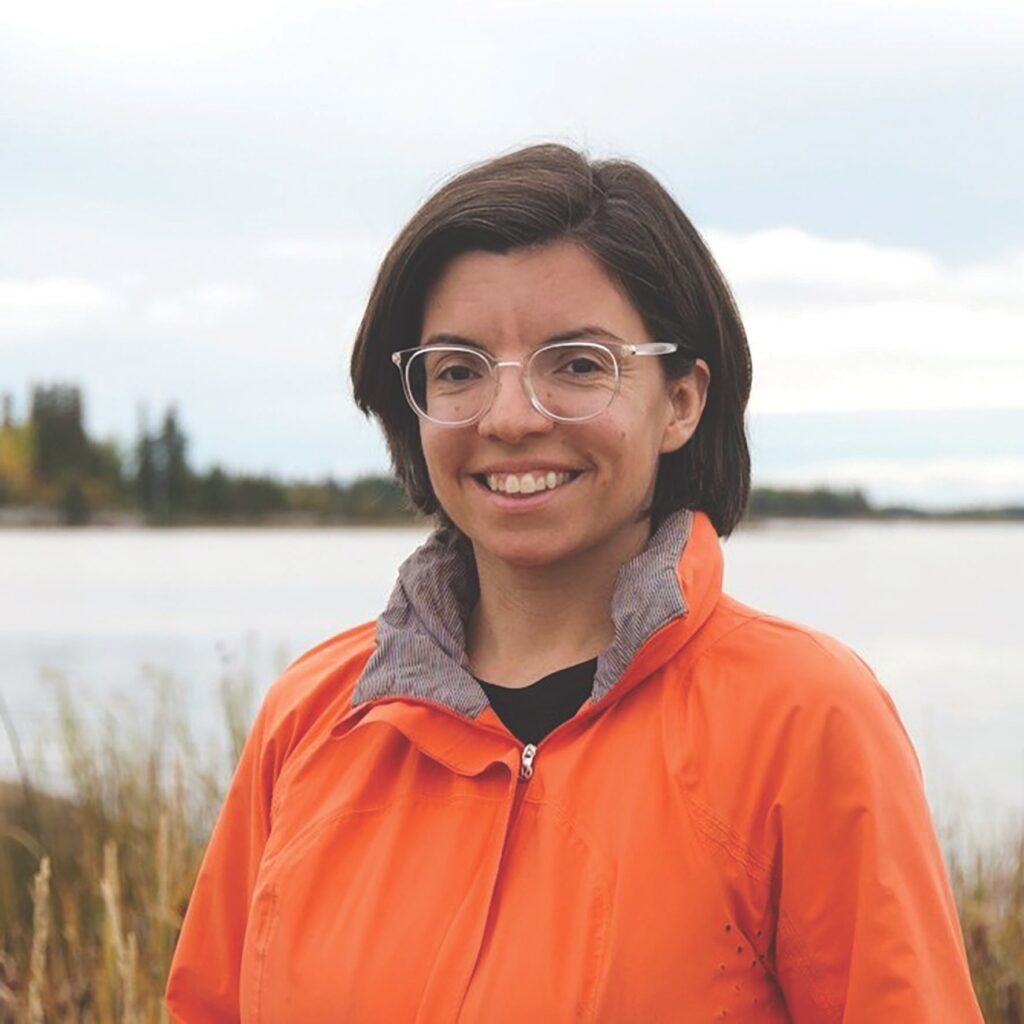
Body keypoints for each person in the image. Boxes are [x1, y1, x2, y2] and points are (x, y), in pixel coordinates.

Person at [165, 143, 982, 1022]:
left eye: (579, 364)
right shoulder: (314, 717)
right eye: (458, 369)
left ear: (680, 401)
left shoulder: (806, 719)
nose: (512, 417)